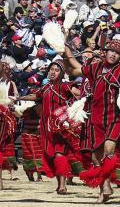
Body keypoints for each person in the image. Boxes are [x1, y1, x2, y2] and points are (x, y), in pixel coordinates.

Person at [63, 39, 120, 203]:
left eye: (117, 53)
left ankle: (106, 187)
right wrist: (64, 48)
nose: (113, 54)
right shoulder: (95, 67)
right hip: (95, 117)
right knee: (96, 158)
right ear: (105, 52)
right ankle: (104, 187)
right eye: (111, 51)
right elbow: (74, 68)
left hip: (115, 116)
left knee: (109, 150)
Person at [19, 59, 81, 194]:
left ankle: (63, 185)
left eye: (57, 70)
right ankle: (60, 184)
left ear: (62, 73)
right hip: (46, 128)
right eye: (51, 70)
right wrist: (19, 98)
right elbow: (36, 95)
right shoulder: (46, 88)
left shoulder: (65, 86)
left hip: (60, 126)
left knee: (59, 153)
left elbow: (79, 94)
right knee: (52, 155)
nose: (53, 72)